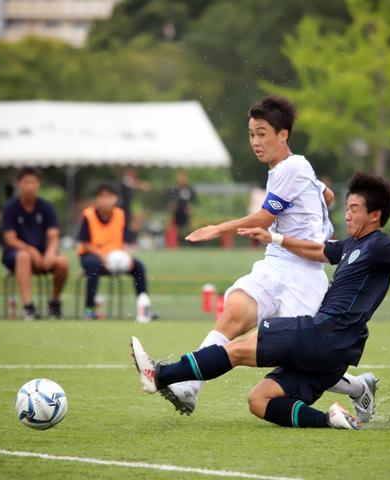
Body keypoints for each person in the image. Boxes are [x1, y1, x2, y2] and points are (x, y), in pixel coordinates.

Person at [130, 172, 390, 430]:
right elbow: (318, 249)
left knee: (239, 348)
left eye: (353, 209)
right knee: (259, 401)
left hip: (325, 333)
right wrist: (274, 238)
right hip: (334, 353)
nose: (346, 214)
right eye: (346, 207)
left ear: (374, 216)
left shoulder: (380, 244)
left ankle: (160, 375)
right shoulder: (351, 245)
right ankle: (332, 420)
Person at [160, 95, 345, 417]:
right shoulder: (287, 169)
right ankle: (191, 387)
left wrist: (218, 228)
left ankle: (358, 387)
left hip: (305, 274)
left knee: (296, 356)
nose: (255, 142)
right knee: (233, 312)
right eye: (251, 134)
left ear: (283, 134)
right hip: (276, 261)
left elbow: (262, 219)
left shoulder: (293, 166)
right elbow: (326, 194)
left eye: (262, 133)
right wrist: (315, 219)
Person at [77, 183, 157, 321]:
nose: (106, 200)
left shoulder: (120, 215)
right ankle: (89, 309)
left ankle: (143, 309)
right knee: (94, 265)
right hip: (91, 255)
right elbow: (85, 243)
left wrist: (128, 256)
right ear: (97, 199)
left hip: (116, 255)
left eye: (110, 197)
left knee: (138, 266)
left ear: (116, 199)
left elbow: (125, 241)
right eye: (102, 197)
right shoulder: (88, 215)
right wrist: (102, 257)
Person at [1, 167, 69, 320]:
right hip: (16, 253)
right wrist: (31, 250)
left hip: (42, 251)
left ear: (39, 184)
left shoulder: (46, 207)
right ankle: (28, 306)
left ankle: (54, 302)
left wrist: (51, 252)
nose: (30, 186)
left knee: (63, 261)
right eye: (26, 182)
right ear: (19, 184)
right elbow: (10, 239)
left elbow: (53, 236)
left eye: (33, 182)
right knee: (23, 256)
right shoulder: (10, 208)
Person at [168, 170, 197, 242]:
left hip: (185, 212)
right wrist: (171, 205)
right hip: (176, 213)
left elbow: (195, 201)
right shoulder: (174, 189)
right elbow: (168, 200)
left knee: (188, 228)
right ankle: (175, 243)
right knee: (174, 229)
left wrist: (191, 208)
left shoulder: (189, 189)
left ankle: (190, 243)